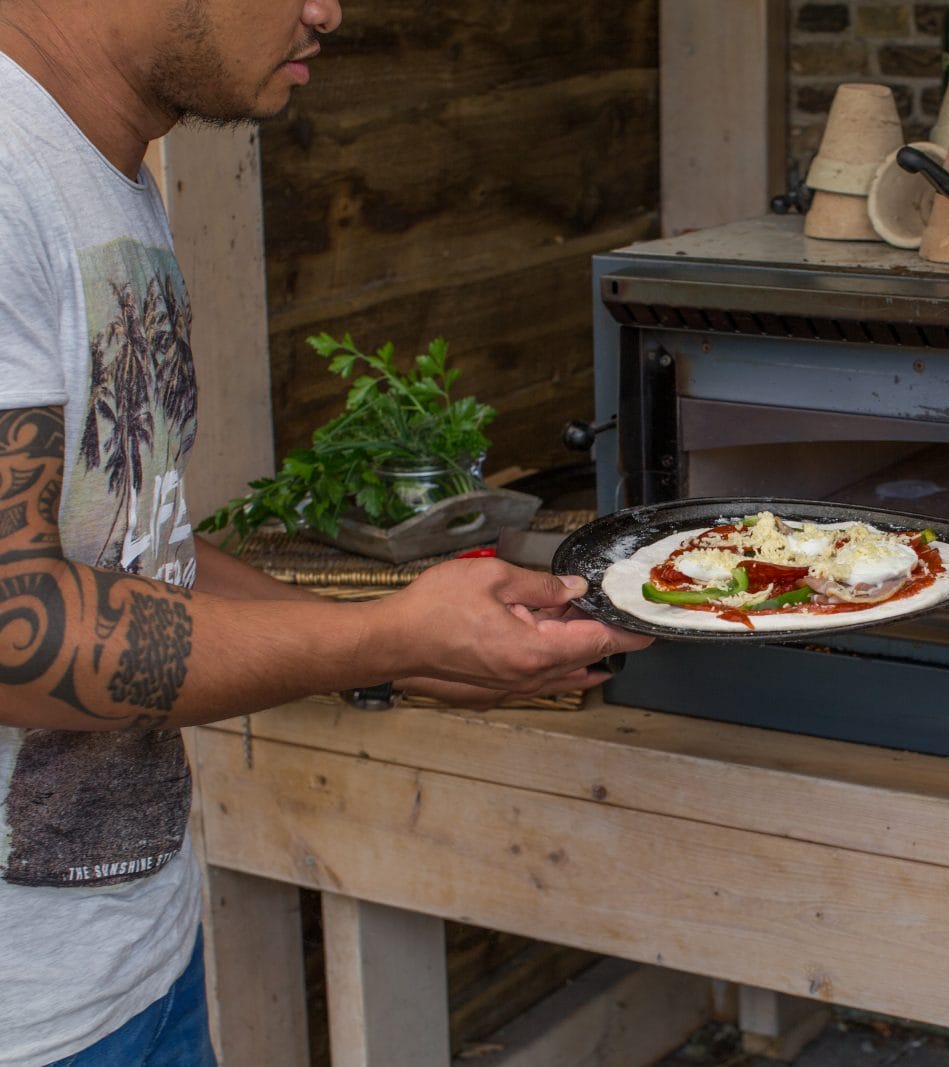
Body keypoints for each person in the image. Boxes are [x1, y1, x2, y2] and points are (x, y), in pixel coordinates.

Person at [0, 0, 653, 1062]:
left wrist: (400, 645)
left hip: (132, 959)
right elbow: (12, 626)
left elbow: (130, 542)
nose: (328, 10)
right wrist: (379, 638)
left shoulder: (101, 166)